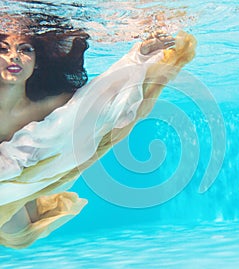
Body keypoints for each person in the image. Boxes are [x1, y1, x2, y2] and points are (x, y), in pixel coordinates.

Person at [0, 12, 196, 249]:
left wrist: (140, 55)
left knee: (19, 236)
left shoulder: (51, 105)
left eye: (26, 49)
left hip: (33, 180)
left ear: (38, 60)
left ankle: (27, 195)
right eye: (3, 49)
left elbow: (100, 99)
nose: (14, 57)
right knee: (16, 234)